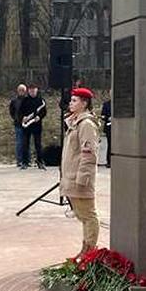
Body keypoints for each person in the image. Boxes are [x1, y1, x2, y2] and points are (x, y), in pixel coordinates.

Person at [60, 87, 101, 255]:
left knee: (88, 215)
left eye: (75, 100)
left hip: (79, 179)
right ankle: (85, 249)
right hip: (71, 177)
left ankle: (89, 250)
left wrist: (83, 178)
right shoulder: (75, 122)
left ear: (84, 104)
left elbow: (89, 154)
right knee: (82, 215)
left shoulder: (86, 124)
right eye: (71, 100)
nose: (71, 103)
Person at [18, 84, 47, 170]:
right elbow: (20, 111)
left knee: (38, 144)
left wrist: (39, 117)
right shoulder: (25, 100)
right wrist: (23, 117)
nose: (32, 91)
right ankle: (25, 162)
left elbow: (44, 112)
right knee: (25, 144)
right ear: (28, 91)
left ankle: (40, 162)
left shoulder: (41, 100)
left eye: (34, 90)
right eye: (30, 90)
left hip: (37, 125)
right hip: (27, 125)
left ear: (37, 90)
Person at [8, 83, 28, 168]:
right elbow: (11, 111)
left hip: (27, 124)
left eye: (23, 90)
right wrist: (16, 118)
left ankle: (27, 160)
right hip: (18, 124)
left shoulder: (28, 100)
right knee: (19, 143)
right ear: (17, 91)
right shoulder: (14, 101)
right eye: (20, 90)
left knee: (27, 143)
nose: (21, 92)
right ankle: (19, 160)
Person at [100, 98, 112, 168]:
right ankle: (109, 161)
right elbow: (103, 115)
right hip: (109, 126)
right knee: (110, 144)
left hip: (118, 126)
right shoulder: (106, 104)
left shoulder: (118, 103)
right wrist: (107, 118)